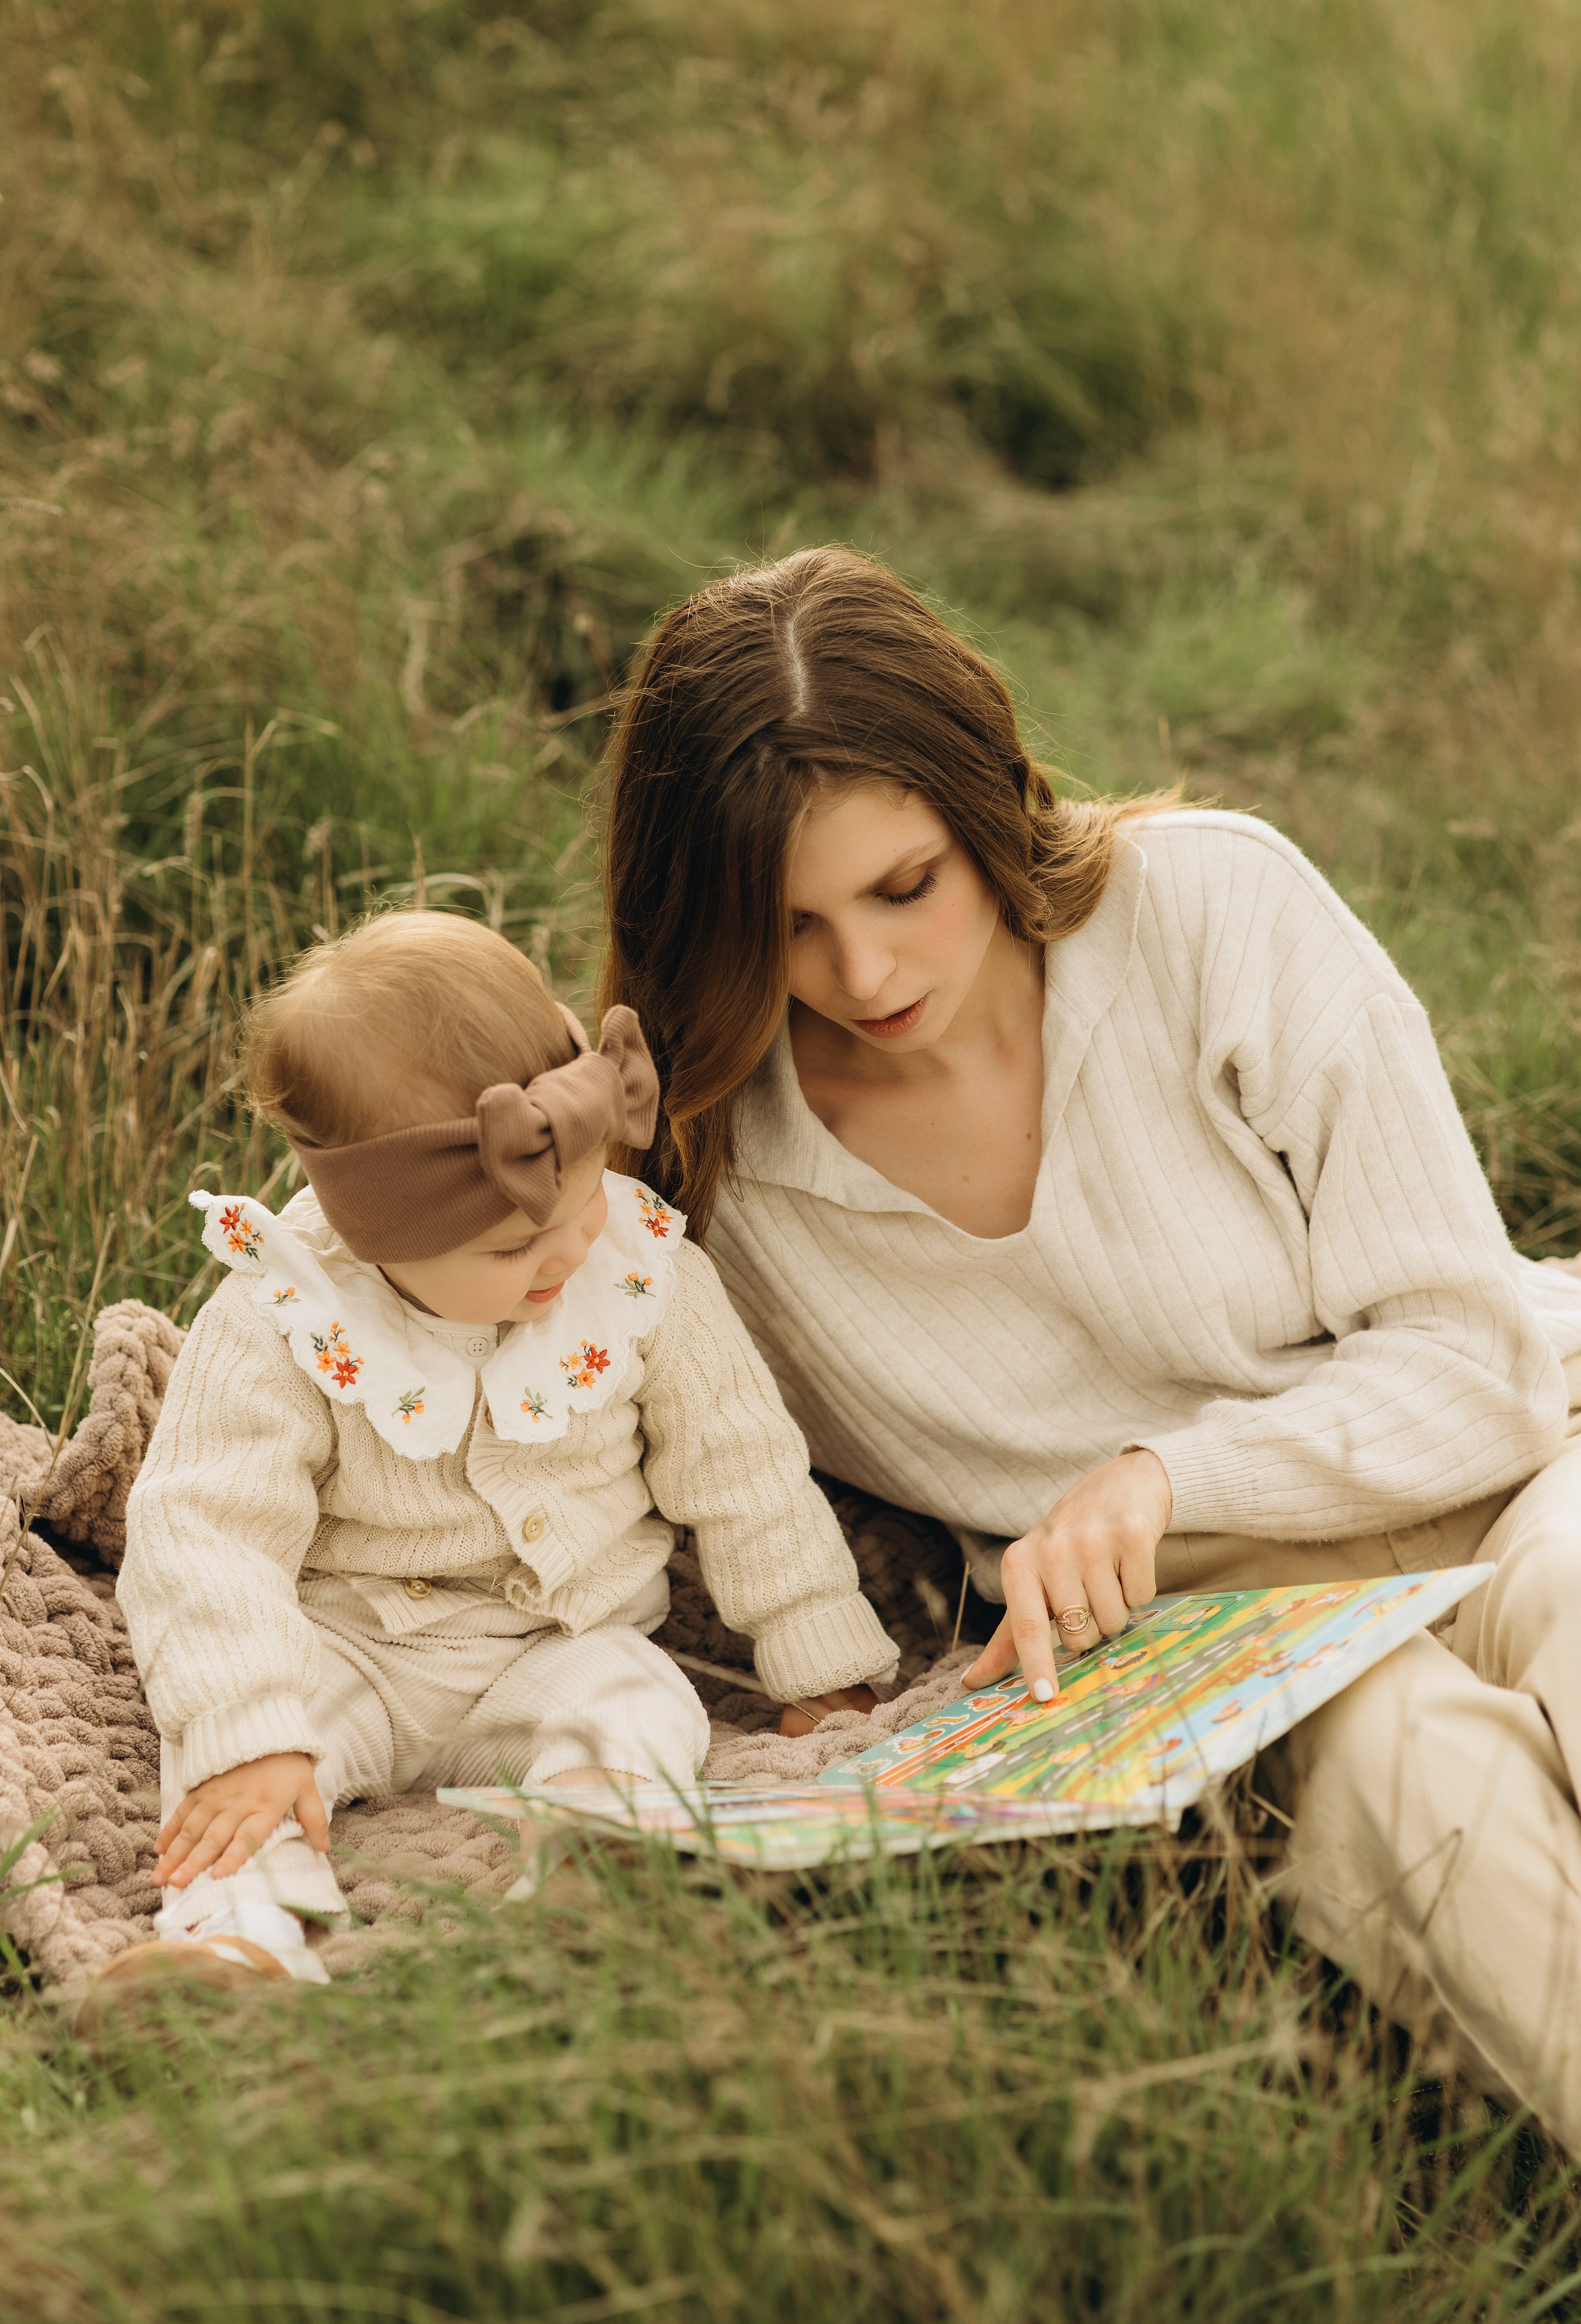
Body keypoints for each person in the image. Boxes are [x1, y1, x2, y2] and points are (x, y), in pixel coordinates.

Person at [600, 544, 1581, 2145]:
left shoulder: (1212, 908)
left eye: (905, 886)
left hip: (1529, 1456)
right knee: (1414, 1787)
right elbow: (414, 1245)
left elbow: (1478, 1366)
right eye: (790, 929)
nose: (864, 973)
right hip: (1227, 1626)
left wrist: (1161, 1474)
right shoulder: (701, 1171)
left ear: (989, 799)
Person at [98, 911, 897, 1999]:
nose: (570, 1248)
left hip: (559, 1642)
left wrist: (822, 1661)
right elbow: (204, 1530)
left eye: (585, 1195)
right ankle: (240, 1941)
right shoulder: (289, 1317)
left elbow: (744, 1469)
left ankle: (592, 1883)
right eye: (516, 1243)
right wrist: (248, 1727)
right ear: (378, 1235)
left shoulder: (637, 1274)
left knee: (641, 1708)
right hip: (355, 1644)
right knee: (225, 1760)